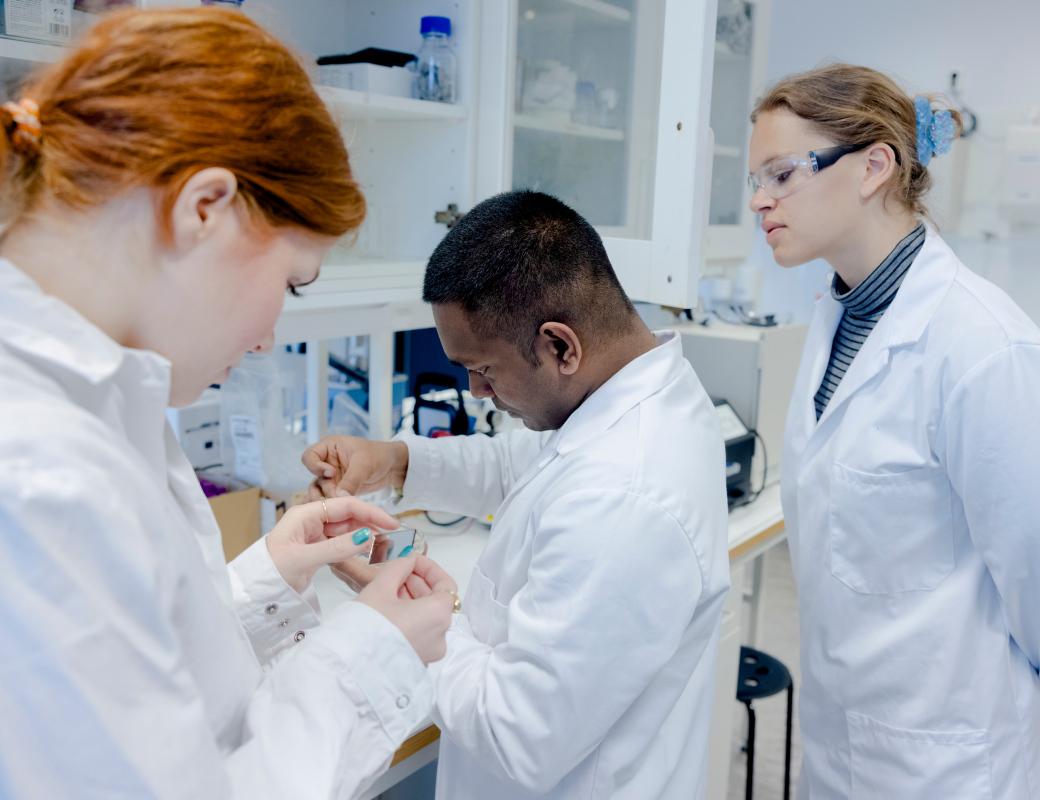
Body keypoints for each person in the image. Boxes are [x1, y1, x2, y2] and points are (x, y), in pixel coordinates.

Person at [0, 8, 457, 799]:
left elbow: (141, 684)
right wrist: (377, 648)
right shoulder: (39, 467)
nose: (267, 337)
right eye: (290, 282)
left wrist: (269, 574)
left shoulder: (103, 399)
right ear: (204, 207)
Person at [304, 190, 730, 799]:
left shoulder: (624, 498)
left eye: (483, 369)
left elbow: (518, 736)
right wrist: (394, 461)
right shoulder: (623, 395)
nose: (475, 391)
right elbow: (520, 464)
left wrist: (407, 611)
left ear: (560, 346)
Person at [747, 63, 1040, 797]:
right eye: (756, 179)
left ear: (874, 166)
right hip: (841, 741)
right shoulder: (837, 319)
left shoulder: (983, 345)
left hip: (951, 761)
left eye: (782, 174)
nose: (759, 200)